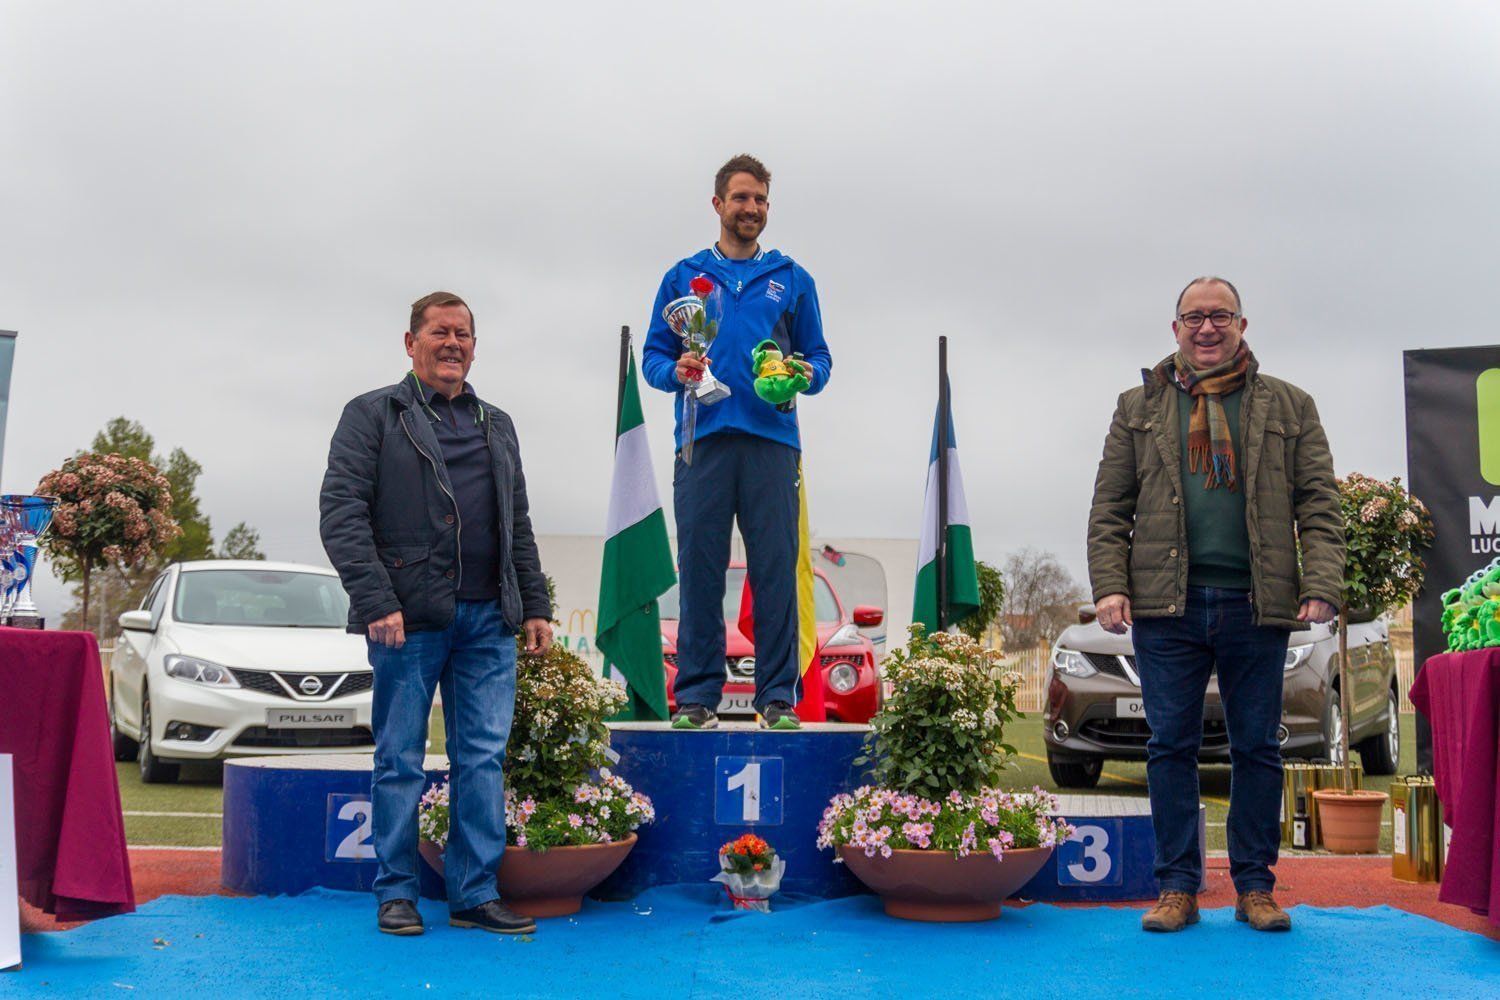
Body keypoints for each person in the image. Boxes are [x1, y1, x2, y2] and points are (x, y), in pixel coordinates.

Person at [1087, 276, 1344, 933]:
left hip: (1257, 605)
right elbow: (1111, 506)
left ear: (1242, 325)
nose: (1207, 328)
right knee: (1169, 745)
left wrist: (1321, 583)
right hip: (1165, 606)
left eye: (1220, 316)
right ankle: (1177, 887)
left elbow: (1319, 503)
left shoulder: (1291, 406)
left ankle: (1256, 888)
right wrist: (1110, 583)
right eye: (1194, 317)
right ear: (1175, 328)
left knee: (1256, 747)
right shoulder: (1136, 406)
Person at [320, 291, 553, 936]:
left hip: (489, 621)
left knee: (482, 759)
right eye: (440, 332)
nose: (453, 343)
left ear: (475, 346)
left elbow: (519, 524)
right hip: (407, 620)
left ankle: (474, 892)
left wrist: (533, 604)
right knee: (399, 757)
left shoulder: (497, 423)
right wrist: (376, 600)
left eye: (464, 335)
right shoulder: (371, 415)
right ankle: (395, 893)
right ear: (410, 342)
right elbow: (341, 515)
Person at [642, 154, 832, 731]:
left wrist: (801, 373)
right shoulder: (684, 277)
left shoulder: (793, 279)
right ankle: (697, 698)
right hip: (701, 442)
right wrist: (675, 372)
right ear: (718, 203)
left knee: (775, 568)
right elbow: (653, 357)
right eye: (742, 198)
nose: (751, 208)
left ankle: (776, 697)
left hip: (773, 444)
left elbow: (820, 360)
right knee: (699, 568)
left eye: (761, 200)